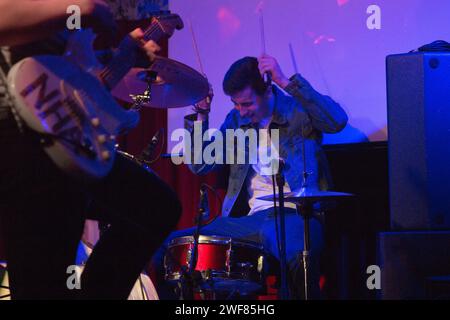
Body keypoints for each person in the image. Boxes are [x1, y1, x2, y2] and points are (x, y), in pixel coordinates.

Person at [0, 0, 181, 299]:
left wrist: (119, 57)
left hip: (56, 131)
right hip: (18, 131)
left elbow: (67, 73)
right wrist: (83, 8)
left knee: (157, 207)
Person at [153, 55, 347, 299]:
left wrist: (286, 81)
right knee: (167, 247)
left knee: (299, 252)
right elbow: (200, 164)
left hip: (297, 216)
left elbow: (337, 121)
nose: (241, 112)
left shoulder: (297, 111)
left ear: (267, 90)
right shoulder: (236, 121)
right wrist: (202, 114)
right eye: (236, 104)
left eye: (247, 104)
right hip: (249, 221)